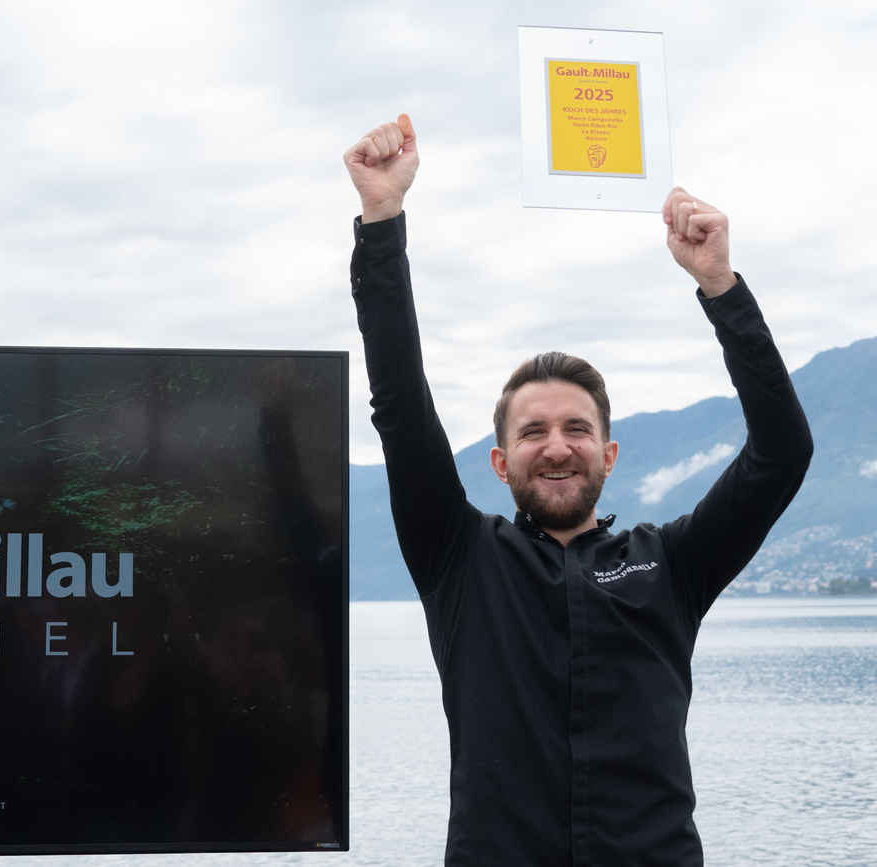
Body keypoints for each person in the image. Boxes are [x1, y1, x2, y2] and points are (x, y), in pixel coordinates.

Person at [344, 114, 813, 866]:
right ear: (500, 462)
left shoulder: (674, 564)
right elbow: (399, 402)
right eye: (532, 432)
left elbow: (783, 452)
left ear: (609, 454)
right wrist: (381, 218)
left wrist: (721, 287)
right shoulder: (458, 557)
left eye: (576, 428)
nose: (556, 446)